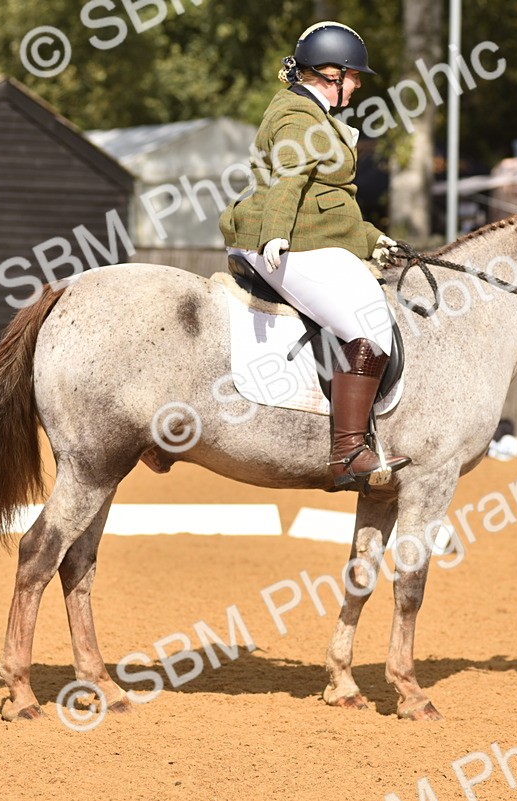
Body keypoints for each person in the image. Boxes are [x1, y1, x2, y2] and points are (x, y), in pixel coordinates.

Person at [219, 21, 410, 491]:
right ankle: (348, 452)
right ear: (330, 73)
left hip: (303, 234)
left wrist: (372, 239)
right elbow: (289, 181)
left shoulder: (312, 112)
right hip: (283, 239)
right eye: (354, 75)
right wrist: (274, 234)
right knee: (369, 325)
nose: (358, 84)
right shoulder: (298, 116)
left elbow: (329, 203)